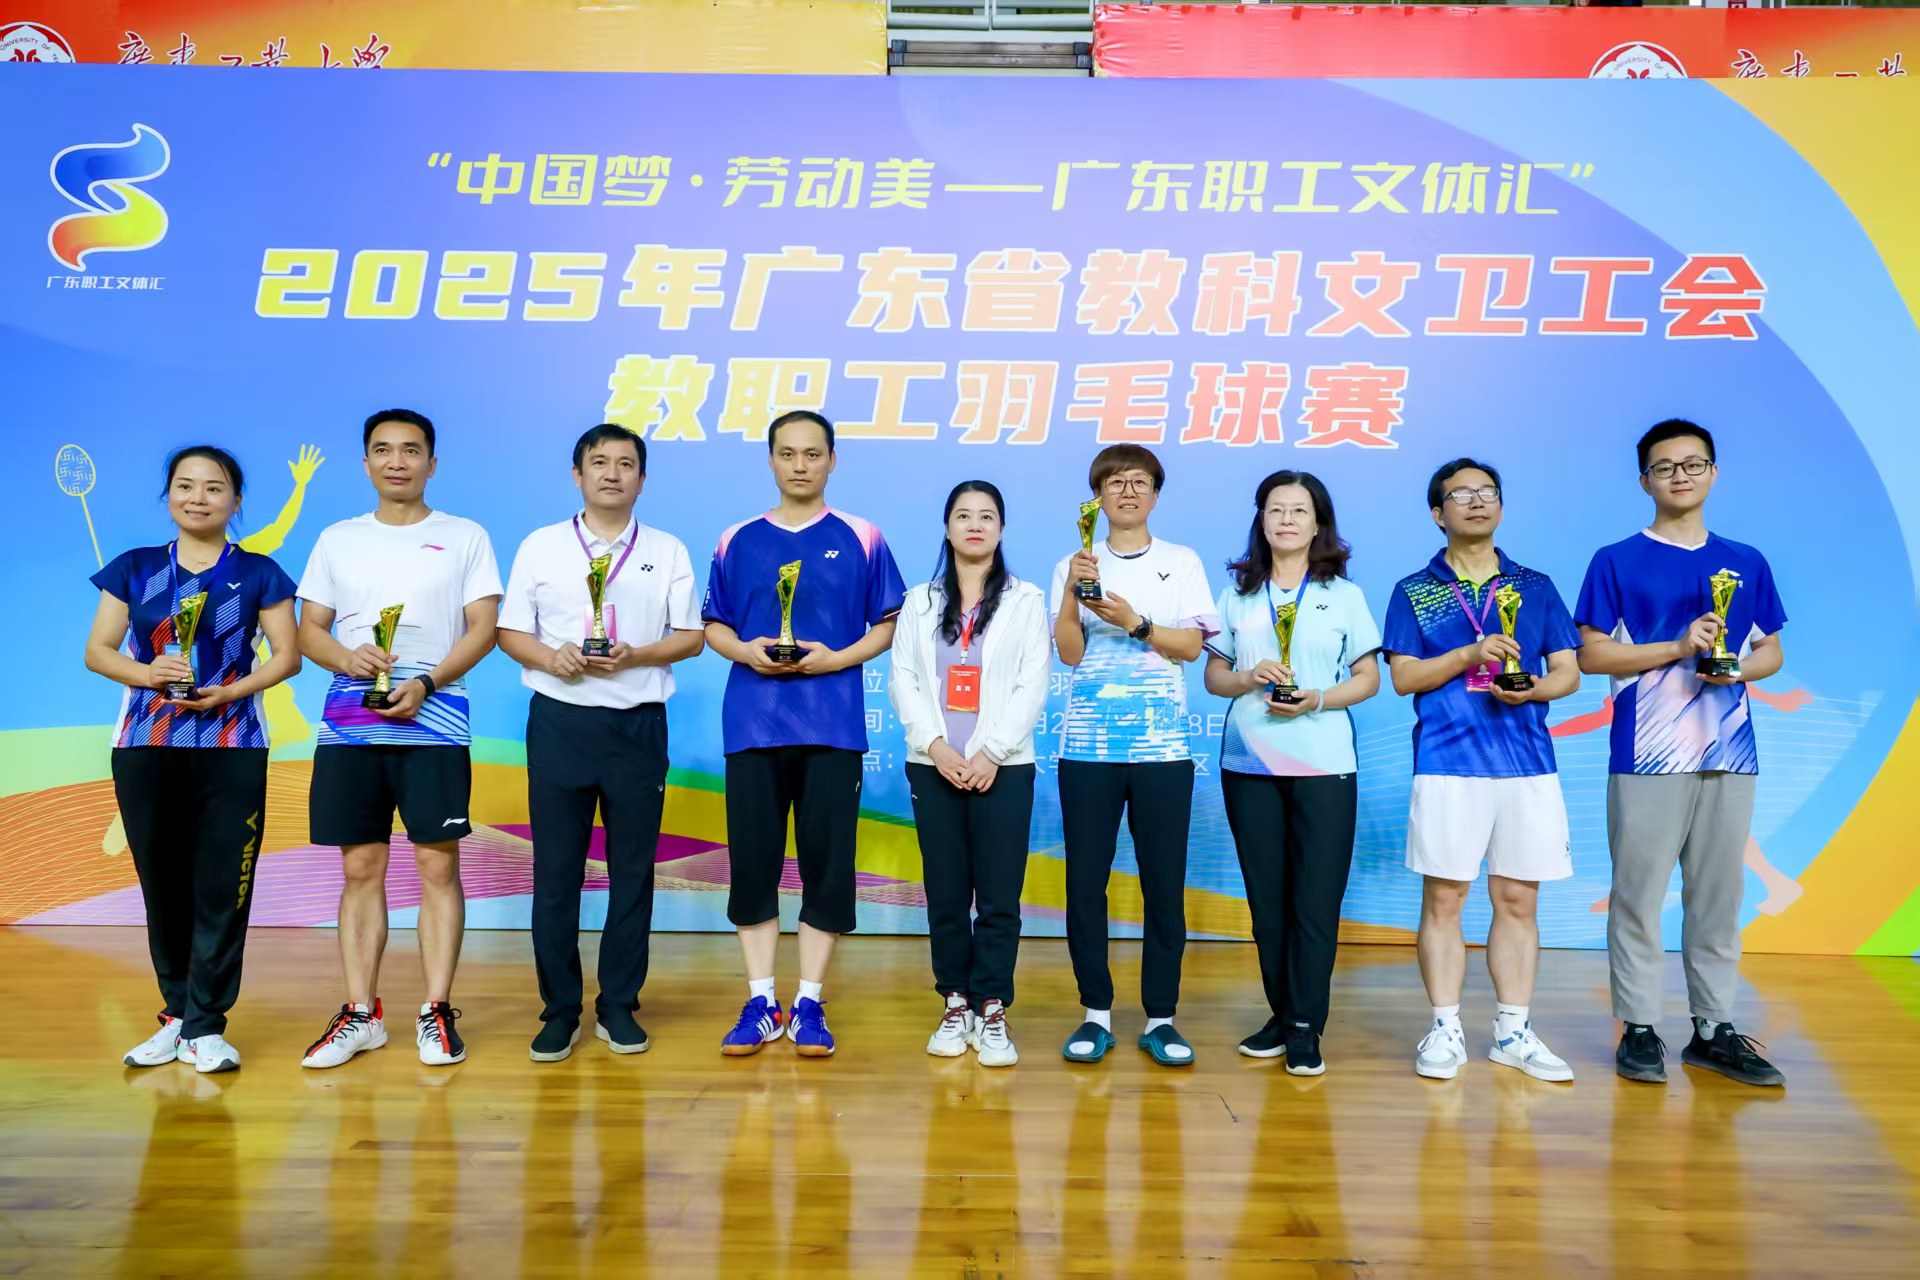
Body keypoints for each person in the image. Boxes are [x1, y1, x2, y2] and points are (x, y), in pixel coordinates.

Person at [1575, 419, 1788, 1087]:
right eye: (1665, 467)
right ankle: (1639, 1027)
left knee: (1719, 895)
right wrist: (1677, 647)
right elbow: (1591, 655)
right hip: (1647, 750)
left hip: (1729, 749)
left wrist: (1736, 671)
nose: (1680, 476)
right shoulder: (1616, 560)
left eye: (1693, 464)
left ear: (1713, 473)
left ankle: (1713, 1029)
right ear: (1645, 481)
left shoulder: (1746, 561)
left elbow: (1771, 651)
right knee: (1639, 894)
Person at [295, 409, 502, 1068]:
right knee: (359, 868)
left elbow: (483, 628)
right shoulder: (338, 539)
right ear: (366, 464)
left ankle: (436, 1011)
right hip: (350, 721)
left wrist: (429, 682)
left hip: (434, 720)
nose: (397, 461)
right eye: (383, 450)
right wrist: (345, 657)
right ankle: (361, 1015)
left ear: (431, 464)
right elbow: (309, 630)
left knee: (438, 867)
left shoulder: (465, 536)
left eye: (411, 450)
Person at [85, 446, 301, 1074]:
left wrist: (231, 693)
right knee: (164, 888)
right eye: (185, 485)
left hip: (233, 747)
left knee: (223, 889)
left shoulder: (260, 572)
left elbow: (287, 656)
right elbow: (99, 651)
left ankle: (207, 1025)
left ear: (235, 500)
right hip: (146, 745)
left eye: (213, 487)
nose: (197, 498)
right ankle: (176, 1017)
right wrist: (149, 674)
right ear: (169, 496)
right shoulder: (134, 568)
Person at [702, 411, 906, 1058]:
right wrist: (745, 650)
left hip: (831, 727)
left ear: (832, 460)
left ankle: (810, 1002)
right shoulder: (736, 539)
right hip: (752, 725)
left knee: (827, 866)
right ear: (770, 460)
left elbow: (888, 624)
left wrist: (836, 659)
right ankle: (762, 1001)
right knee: (753, 865)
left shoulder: (863, 536)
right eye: (787, 453)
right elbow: (713, 625)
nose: (799, 465)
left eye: (812, 454)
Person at [498, 425, 704, 1062]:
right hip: (560, 722)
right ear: (577, 474)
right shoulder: (541, 545)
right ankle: (560, 1009)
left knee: (632, 873)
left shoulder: (666, 549)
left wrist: (637, 655)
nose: (612, 473)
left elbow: (691, 637)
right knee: (555, 874)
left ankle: (618, 1005)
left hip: (636, 725)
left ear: (643, 479)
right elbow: (510, 632)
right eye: (599, 462)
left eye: (625, 464)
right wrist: (551, 656)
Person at [1381, 459, 1582, 1083]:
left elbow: (1568, 672)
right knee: (1445, 897)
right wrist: (1470, 652)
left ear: (1500, 506)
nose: (1477, 501)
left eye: (1487, 492)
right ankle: (1444, 1028)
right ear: (1437, 513)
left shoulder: (1534, 585)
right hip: (1448, 762)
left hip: (1527, 764)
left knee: (1518, 899)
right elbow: (1404, 677)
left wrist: (1533, 690)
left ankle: (1513, 1031)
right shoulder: (1415, 589)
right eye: (1461, 494)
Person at [1203, 470, 1380, 1076]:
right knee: (1267, 902)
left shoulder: (1344, 595)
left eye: (1299, 510)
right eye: (1275, 509)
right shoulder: (1239, 594)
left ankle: (1306, 1024)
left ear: (1318, 522)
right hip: (1248, 762)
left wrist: (1318, 700)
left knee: (1315, 901)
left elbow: (1367, 679)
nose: (1286, 519)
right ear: (1261, 519)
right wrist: (1247, 677)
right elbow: (1215, 677)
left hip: (1324, 763)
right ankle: (1282, 1014)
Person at [1050, 445, 1217, 1068]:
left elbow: (1192, 648)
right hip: (1087, 749)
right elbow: (1069, 653)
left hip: (1162, 750)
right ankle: (1095, 1013)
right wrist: (1072, 592)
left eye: (1139, 482)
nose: (1127, 491)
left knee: (1163, 885)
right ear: (1097, 496)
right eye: (1115, 482)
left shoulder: (1181, 561)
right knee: (1084, 884)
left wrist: (1134, 621)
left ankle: (1161, 1018)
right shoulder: (1073, 562)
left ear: (1155, 494)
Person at [889, 481, 1050, 1067]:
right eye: (963, 515)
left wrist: (991, 754)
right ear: (947, 527)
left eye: (986, 516)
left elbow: (1032, 683)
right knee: (947, 895)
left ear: (1001, 529)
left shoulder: (1026, 600)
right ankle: (955, 1001)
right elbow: (904, 679)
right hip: (934, 767)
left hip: (1003, 769)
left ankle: (992, 1007)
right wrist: (935, 747)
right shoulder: (919, 602)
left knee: (1000, 896)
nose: (975, 525)